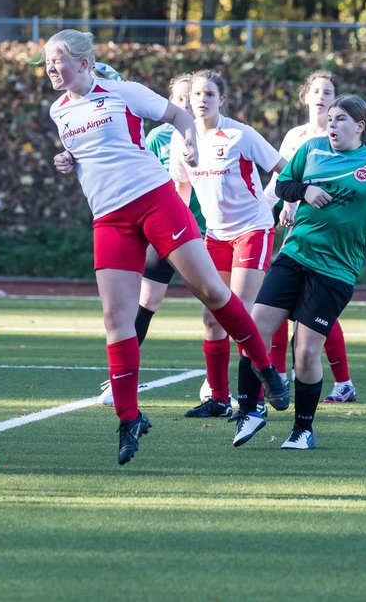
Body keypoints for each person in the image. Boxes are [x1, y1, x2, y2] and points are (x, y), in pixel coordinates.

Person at [45, 29, 288, 465]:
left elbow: (178, 116)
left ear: (83, 63)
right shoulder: (58, 111)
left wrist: (191, 141)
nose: (50, 69)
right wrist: (67, 160)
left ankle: (265, 368)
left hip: (156, 203)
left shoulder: (124, 92)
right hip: (109, 219)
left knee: (213, 293)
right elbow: (87, 155)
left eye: (58, 60)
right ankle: (128, 418)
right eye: (46, 62)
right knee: (116, 320)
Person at [240, 95, 366, 450]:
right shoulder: (311, 149)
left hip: (336, 270)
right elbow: (283, 186)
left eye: (341, 119)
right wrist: (305, 191)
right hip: (294, 254)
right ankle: (251, 409)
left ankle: (303, 429)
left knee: (307, 352)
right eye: (329, 118)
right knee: (255, 328)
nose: (332, 124)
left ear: (360, 126)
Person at [170, 70, 285, 418]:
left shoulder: (240, 134)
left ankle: (254, 400)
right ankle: (218, 399)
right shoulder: (181, 140)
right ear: (188, 101)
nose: (202, 99)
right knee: (211, 316)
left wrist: (273, 201)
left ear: (222, 100)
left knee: (239, 313)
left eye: (209, 94)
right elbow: (181, 190)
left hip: (253, 229)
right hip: (215, 235)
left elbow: (285, 167)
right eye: (196, 94)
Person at [97, 73, 207, 406]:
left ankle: (219, 383)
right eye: (179, 100)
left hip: (206, 230)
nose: (186, 105)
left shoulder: (212, 136)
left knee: (217, 304)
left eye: (191, 99)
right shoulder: (155, 136)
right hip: (162, 232)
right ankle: (120, 378)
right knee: (146, 303)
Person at [266, 70, 358, 404]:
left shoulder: (343, 138)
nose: (321, 96)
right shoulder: (296, 136)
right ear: (306, 96)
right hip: (297, 229)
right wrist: (280, 207)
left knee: (315, 310)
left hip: (329, 235)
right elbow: (284, 179)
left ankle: (343, 380)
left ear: (337, 100)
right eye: (316, 90)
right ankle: (276, 375)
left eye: (328, 91)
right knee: (275, 302)